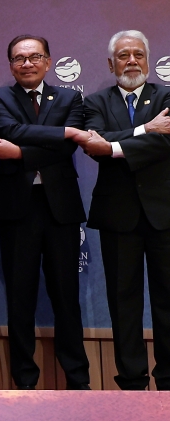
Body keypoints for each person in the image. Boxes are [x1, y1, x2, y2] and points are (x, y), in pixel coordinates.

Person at [0, 35, 91, 390]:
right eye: (19, 58)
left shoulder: (70, 97)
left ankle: (78, 382)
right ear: (11, 64)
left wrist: (19, 153)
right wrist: (62, 132)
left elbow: (65, 150)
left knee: (67, 298)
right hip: (17, 209)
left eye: (34, 57)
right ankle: (24, 383)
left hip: (60, 208)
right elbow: (8, 130)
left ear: (47, 61)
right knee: (20, 297)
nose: (27, 63)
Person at [79, 30, 170, 391]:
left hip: (164, 215)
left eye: (137, 54)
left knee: (168, 302)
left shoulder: (167, 96)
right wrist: (148, 129)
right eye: (123, 55)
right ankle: (131, 384)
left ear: (148, 61)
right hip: (118, 217)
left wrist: (116, 145)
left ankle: (168, 383)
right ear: (110, 63)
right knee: (123, 303)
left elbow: (165, 145)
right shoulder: (95, 102)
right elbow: (94, 145)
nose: (131, 60)